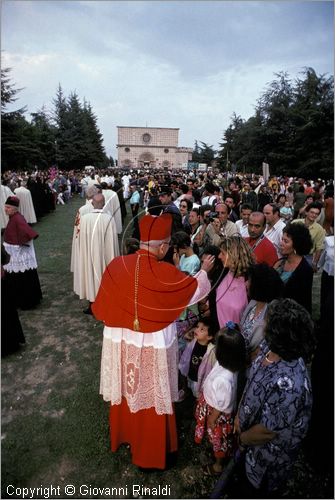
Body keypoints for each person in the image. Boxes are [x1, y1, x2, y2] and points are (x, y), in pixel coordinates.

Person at [92, 213, 214, 470]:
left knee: (128, 386)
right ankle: (150, 449)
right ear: (161, 247)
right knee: (152, 390)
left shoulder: (116, 265)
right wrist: (204, 271)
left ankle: (126, 434)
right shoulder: (165, 272)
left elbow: (101, 304)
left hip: (122, 339)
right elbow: (192, 289)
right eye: (167, 245)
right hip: (153, 342)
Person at [233, 299, 315, 498]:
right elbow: (253, 377)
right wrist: (238, 416)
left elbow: (266, 432)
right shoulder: (269, 346)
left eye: (267, 322)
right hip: (246, 441)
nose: (263, 324)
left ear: (280, 334)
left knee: (252, 491)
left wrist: (241, 439)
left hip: (263, 460)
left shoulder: (291, 385)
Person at [195, 322, 246, 476]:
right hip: (211, 406)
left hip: (217, 415)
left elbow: (222, 405)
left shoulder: (225, 379)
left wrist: (212, 418)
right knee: (217, 441)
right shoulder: (227, 365)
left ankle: (218, 466)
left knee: (219, 442)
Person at [74, 193, 120, 314]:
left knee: (91, 277)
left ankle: (93, 305)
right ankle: (105, 305)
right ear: (104, 203)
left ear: (92, 203)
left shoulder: (85, 219)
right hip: (106, 257)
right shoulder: (109, 218)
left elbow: (80, 240)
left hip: (89, 256)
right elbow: (113, 243)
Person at [3, 196, 42, 310]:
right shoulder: (13, 217)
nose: (5, 209)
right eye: (5, 207)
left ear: (14, 208)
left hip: (19, 254)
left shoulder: (17, 218)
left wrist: (21, 242)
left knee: (22, 277)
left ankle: (26, 301)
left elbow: (27, 231)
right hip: (15, 253)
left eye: (8, 207)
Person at [240, 263, 284, 358]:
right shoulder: (253, 303)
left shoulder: (271, 317)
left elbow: (260, 353)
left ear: (258, 286)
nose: (246, 283)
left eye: (249, 281)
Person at [215, 236, 254, 328]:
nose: (219, 256)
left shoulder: (251, 281)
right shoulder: (223, 272)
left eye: (223, 253)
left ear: (234, 255)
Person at [274, 223, 313, 313]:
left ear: (296, 245)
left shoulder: (305, 270)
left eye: (286, 241)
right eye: (282, 239)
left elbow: (303, 302)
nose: (281, 243)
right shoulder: (280, 263)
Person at [178, 317, 216, 399]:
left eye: (202, 329)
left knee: (197, 395)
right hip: (190, 374)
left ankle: (196, 403)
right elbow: (186, 355)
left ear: (209, 337)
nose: (197, 330)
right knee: (190, 387)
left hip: (199, 380)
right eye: (197, 327)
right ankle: (187, 393)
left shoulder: (211, 352)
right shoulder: (193, 341)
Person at [291, 202, 326, 271]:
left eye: (316, 214)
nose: (314, 215)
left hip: (307, 257)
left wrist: (315, 263)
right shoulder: (295, 223)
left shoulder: (319, 229)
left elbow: (319, 248)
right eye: (312, 212)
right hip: (292, 253)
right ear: (306, 212)